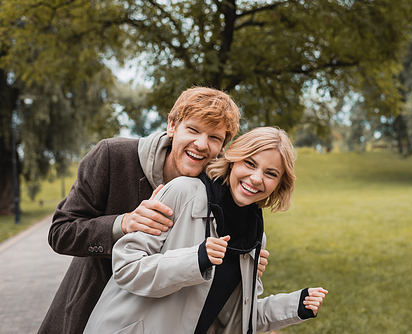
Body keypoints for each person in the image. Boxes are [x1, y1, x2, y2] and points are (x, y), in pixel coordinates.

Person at [39, 87, 269, 334]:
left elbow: (203, 265)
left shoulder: (216, 191)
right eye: (192, 130)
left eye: (214, 138)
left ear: (223, 147)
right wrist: (122, 223)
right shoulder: (112, 156)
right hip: (88, 312)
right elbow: (60, 232)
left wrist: (242, 266)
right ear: (172, 126)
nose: (201, 144)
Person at [83, 127, 328, 334]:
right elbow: (127, 268)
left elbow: (232, 318)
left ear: (279, 185)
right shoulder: (182, 192)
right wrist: (197, 260)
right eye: (250, 163)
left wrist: (295, 305)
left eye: (270, 174)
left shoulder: (255, 236)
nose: (256, 178)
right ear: (233, 159)